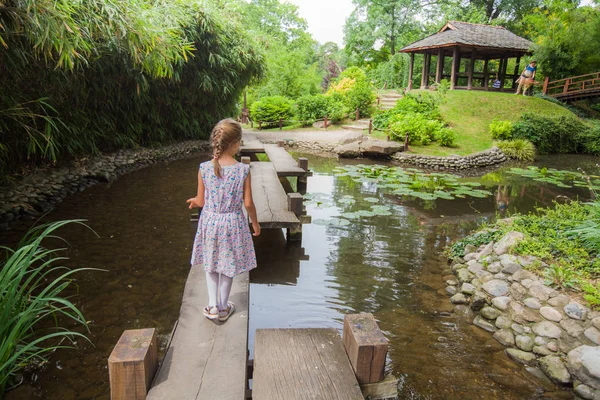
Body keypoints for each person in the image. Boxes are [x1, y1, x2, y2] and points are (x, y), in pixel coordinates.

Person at [186, 119, 260, 322]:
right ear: (236, 144)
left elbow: (201, 201)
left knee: (210, 265)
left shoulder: (203, 168)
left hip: (210, 222)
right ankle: (223, 307)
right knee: (227, 266)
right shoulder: (243, 170)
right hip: (233, 224)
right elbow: (248, 203)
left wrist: (195, 201)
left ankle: (211, 306)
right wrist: (255, 222)